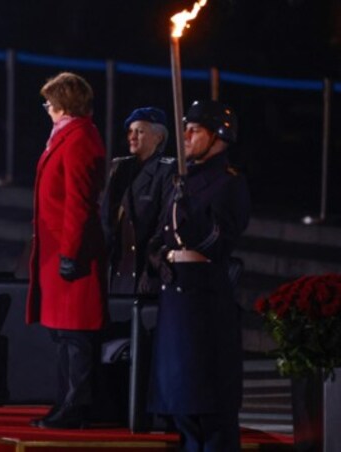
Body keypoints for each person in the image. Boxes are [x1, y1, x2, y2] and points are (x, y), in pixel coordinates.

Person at [147, 99, 250, 452]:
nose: (186, 137)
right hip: (175, 291)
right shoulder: (183, 177)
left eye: (195, 131)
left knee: (209, 406)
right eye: (185, 129)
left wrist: (189, 209)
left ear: (218, 136)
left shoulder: (229, 183)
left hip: (204, 299)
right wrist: (158, 254)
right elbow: (163, 233)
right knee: (183, 407)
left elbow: (216, 242)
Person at [26, 72, 107, 429]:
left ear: (63, 104)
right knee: (62, 334)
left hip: (71, 252)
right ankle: (63, 402)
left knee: (75, 335)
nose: (46, 108)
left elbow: (79, 202)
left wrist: (71, 253)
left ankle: (77, 406)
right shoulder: (65, 135)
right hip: (55, 250)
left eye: (49, 102)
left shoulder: (78, 139)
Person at [103, 107, 175, 294]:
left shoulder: (166, 170)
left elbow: (165, 220)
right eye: (130, 131)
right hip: (117, 266)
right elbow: (107, 217)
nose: (132, 137)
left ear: (158, 137)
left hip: (144, 268)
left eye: (140, 131)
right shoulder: (120, 168)